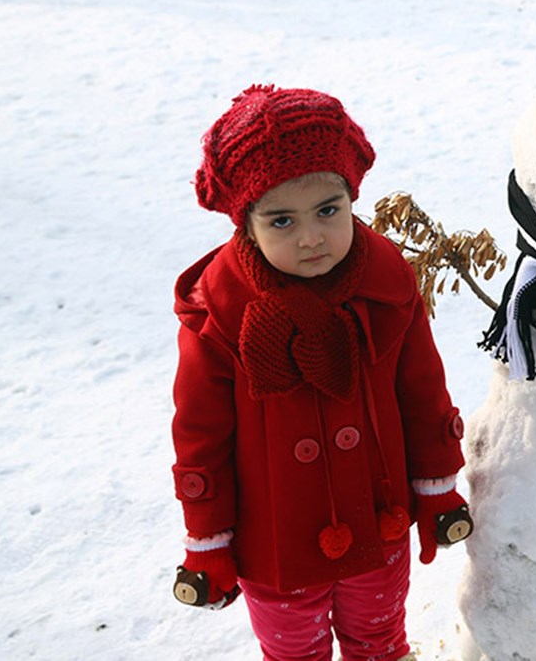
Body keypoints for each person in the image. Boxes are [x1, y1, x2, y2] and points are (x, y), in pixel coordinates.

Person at [169, 84, 472, 661]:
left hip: (375, 523)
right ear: (245, 223)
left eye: (328, 211)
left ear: (351, 198)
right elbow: (200, 435)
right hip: (275, 546)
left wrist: (436, 488)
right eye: (281, 220)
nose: (311, 237)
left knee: (379, 641)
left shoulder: (386, 284)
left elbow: (423, 393)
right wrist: (208, 538)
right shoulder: (220, 314)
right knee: (294, 653)